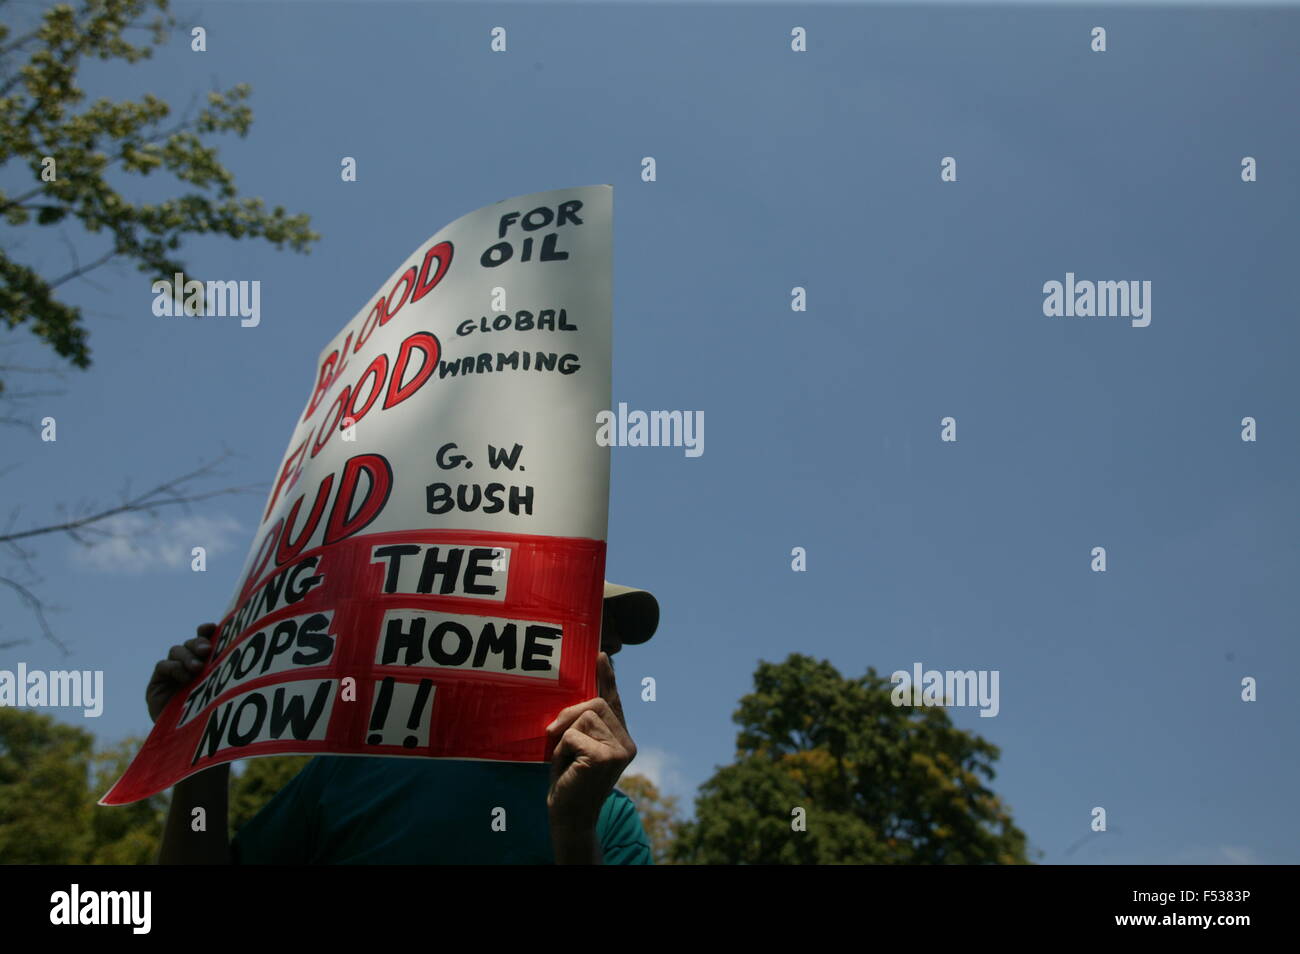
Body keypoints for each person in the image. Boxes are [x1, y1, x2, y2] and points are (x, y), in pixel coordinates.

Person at [147, 581, 659, 865]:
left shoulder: (607, 819)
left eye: (607, 641)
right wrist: (199, 742)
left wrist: (573, 830)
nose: (602, 650)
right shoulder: (360, 769)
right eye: (583, 621)